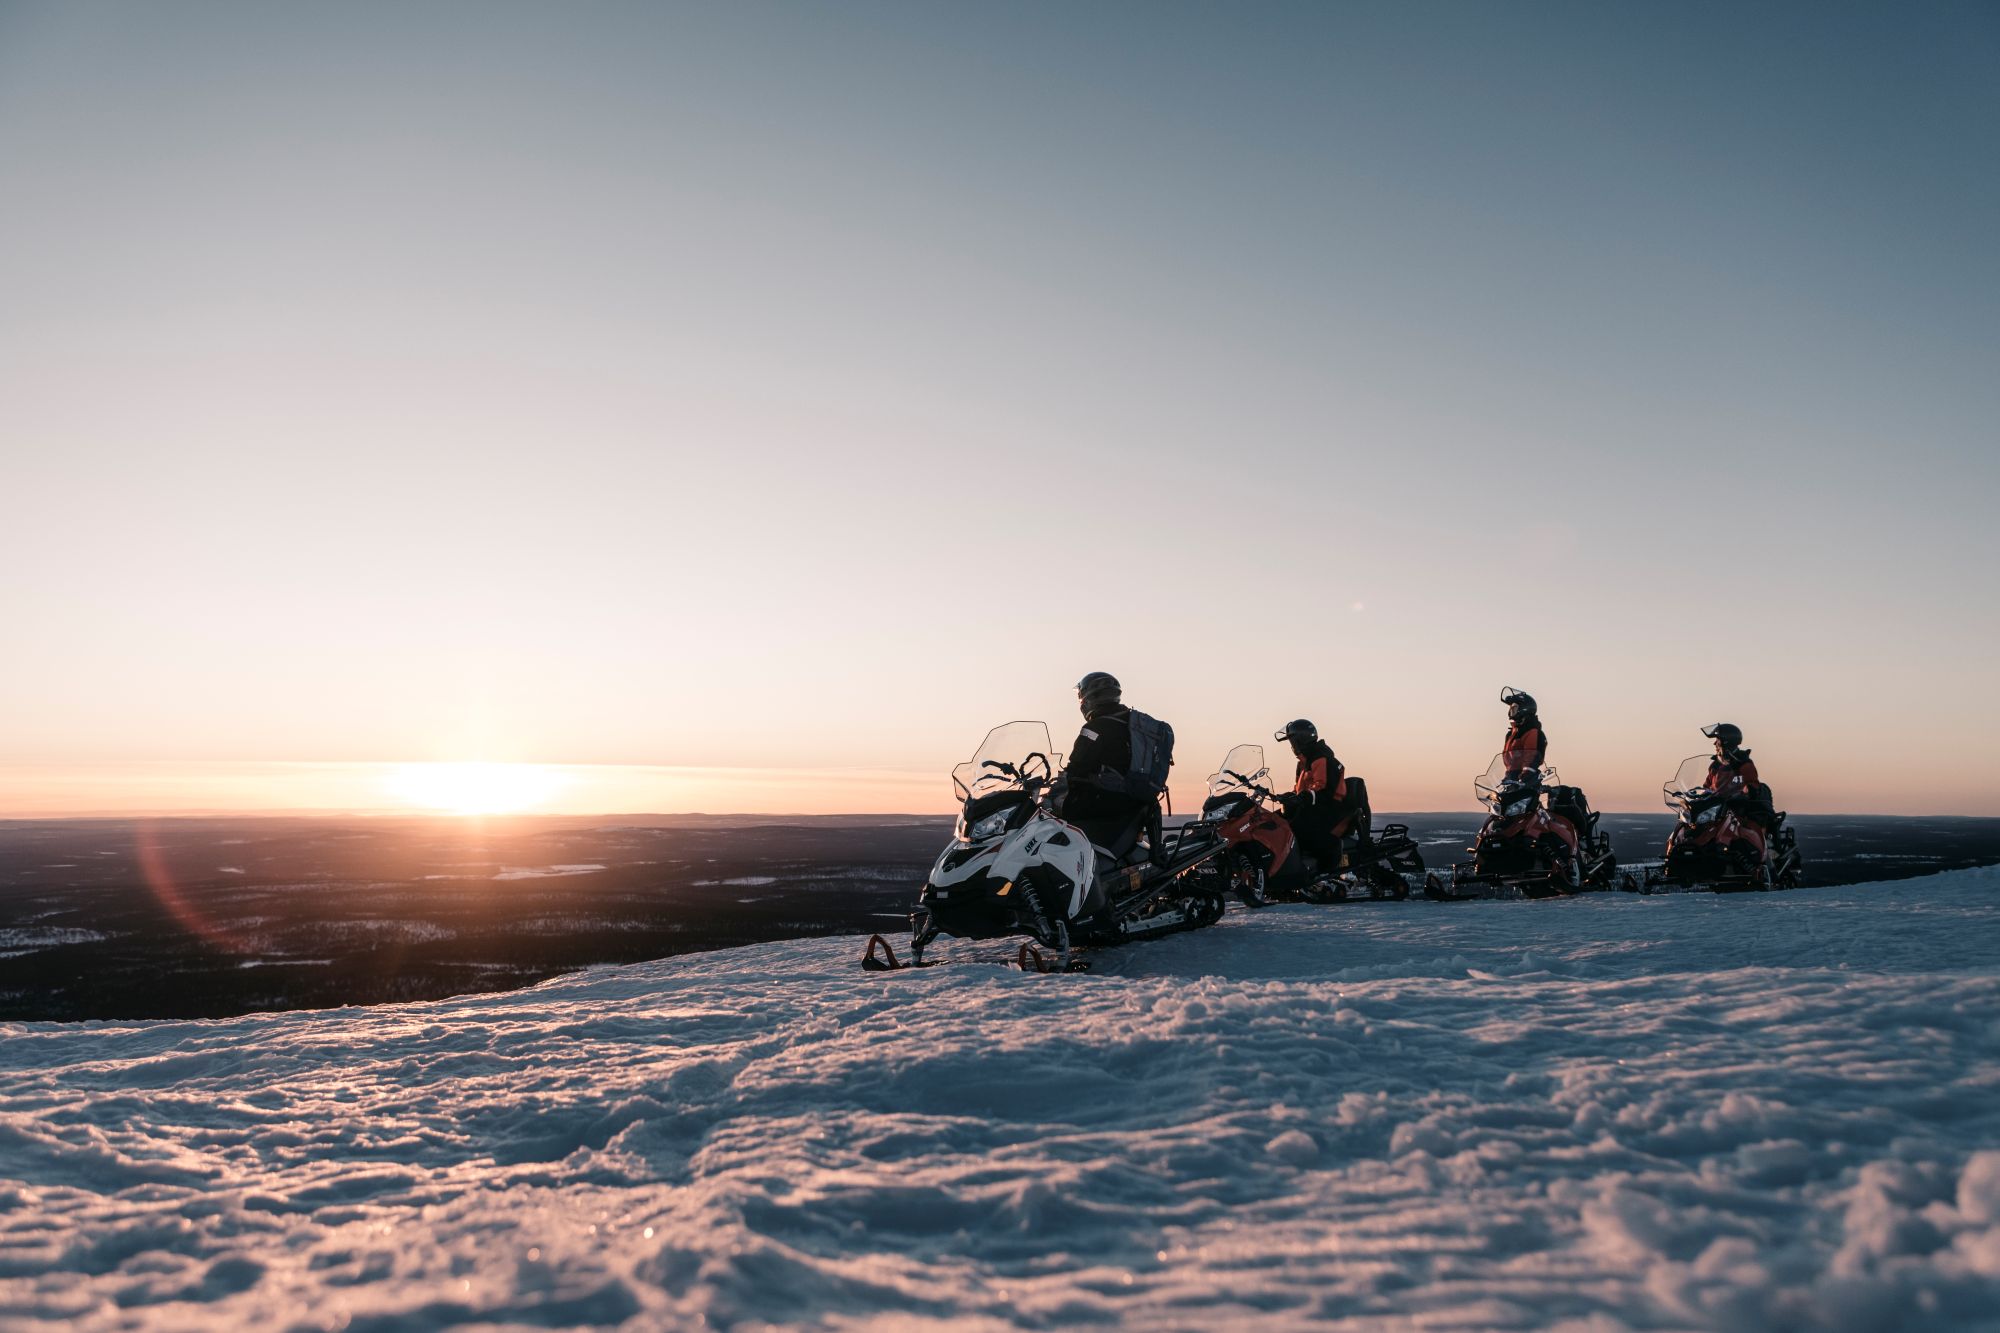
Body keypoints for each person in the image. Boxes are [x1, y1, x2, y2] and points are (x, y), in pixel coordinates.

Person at [1054, 671, 1154, 852]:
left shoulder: (1094, 728)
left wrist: (1058, 783)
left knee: (1054, 813)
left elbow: (1076, 767)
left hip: (1106, 801)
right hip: (1134, 800)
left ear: (1088, 699)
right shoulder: (1131, 723)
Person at [1273, 719, 1365, 872]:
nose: (1291, 747)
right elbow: (1300, 788)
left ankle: (1320, 868)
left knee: (1298, 828)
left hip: (1328, 807)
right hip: (1313, 805)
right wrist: (1290, 796)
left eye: (1292, 742)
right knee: (1275, 821)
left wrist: (1306, 796)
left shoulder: (1321, 758)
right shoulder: (1304, 761)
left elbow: (1323, 787)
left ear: (1300, 741)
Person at [1701, 722, 1773, 846]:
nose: (1714, 744)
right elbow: (1706, 787)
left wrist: (1744, 792)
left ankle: (1763, 857)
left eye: (1717, 740)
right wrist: (1697, 797)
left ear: (1726, 742)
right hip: (1718, 811)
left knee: (1747, 837)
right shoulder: (1715, 766)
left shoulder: (1743, 763)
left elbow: (1752, 784)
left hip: (1739, 811)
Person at [1499, 688, 1547, 779]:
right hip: (1511, 778)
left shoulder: (1532, 731)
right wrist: (1508, 776)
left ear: (1524, 708)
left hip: (1526, 780)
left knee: (1526, 794)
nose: (1511, 711)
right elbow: (1509, 760)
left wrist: (1526, 773)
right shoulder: (1511, 734)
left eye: (1514, 708)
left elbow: (1531, 756)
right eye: (1511, 708)